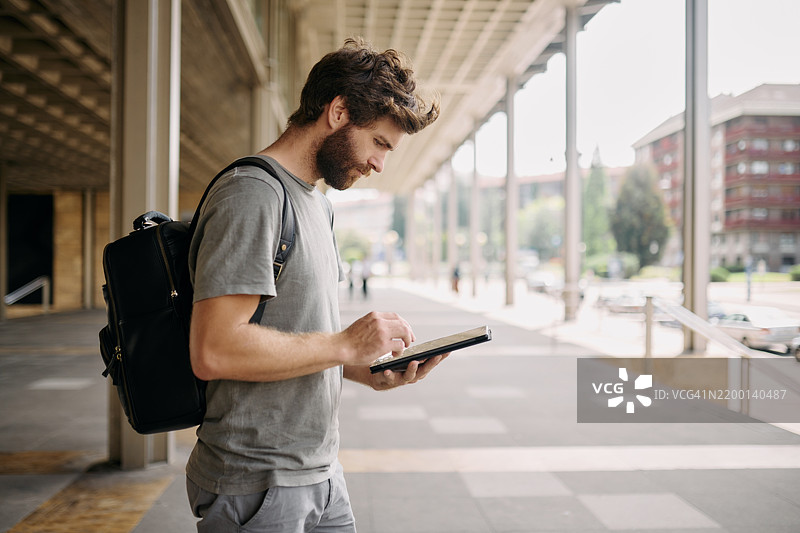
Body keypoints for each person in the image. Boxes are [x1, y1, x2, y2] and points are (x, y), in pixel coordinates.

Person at [186, 38, 442, 532]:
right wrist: (344, 342)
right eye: (380, 143)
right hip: (257, 483)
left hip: (320, 473)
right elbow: (214, 349)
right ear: (339, 111)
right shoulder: (253, 195)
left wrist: (360, 365)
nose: (379, 164)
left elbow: (294, 334)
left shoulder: (317, 206)